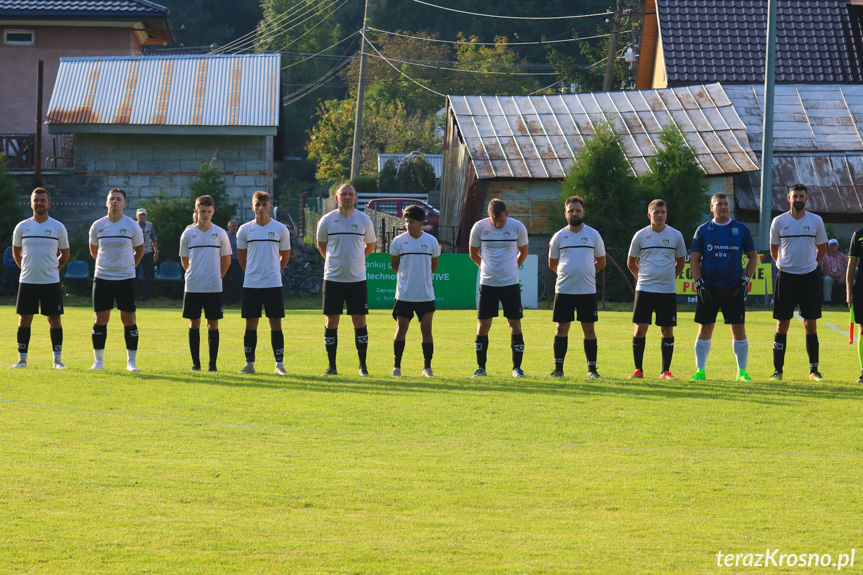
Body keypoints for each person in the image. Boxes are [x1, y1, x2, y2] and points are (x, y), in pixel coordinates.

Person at [689, 193, 757, 382]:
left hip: (733, 289)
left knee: (738, 328)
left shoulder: (740, 229)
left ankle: (741, 372)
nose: (723, 207)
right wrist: (699, 283)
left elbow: (753, 256)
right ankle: (700, 371)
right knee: (705, 328)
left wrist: (745, 280)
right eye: (719, 204)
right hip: (709, 288)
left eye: (726, 204)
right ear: (711, 207)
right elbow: (694, 259)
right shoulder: (702, 230)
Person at [769, 183, 828, 381]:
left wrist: (810, 265)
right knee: (782, 324)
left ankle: (814, 370)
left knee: (810, 323)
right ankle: (778, 371)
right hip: (786, 278)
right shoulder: (778, 221)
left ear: (806, 199)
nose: (798, 200)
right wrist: (785, 266)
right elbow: (773, 250)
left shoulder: (816, 221)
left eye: (801, 196)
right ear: (789, 198)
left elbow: (821, 249)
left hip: (809, 278)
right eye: (795, 196)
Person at [316, 184, 376, 376]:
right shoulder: (327, 220)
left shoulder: (364, 220)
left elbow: (370, 245)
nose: (347, 197)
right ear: (337, 198)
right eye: (344, 194)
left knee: (359, 321)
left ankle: (363, 366)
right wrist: (336, 263)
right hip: (333, 279)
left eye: (351, 194)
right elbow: (321, 246)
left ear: (356, 198)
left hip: (357, 280)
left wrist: (355, 261)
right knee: (331, 321)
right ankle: (331, 366)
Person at [9, 187, 70, 369]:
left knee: (54, 320)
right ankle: (22, 360)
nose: (39, 203)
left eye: (43, 200)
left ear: (49, 204)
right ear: (31, 203)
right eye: (36, 200)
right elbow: (16, 253)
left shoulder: (58, 227)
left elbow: (65, 255)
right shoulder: (22, 227)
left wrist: (52, 269)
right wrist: (28, 269)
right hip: (27, 281)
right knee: (24, 320)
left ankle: (57, 360)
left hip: (50, 282)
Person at [468, 198, 529, 378]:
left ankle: (517, 368)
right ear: (489, 215)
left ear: (507, 214)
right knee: (483, 325)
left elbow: (523, 251)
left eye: (501, 221)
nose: (498, 224)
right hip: (487, 285)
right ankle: (481, 368)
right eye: (495, 221)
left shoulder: (517, 227)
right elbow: (473, 253)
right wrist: (487, 268)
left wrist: (513, 268)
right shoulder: (479, 228)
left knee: (515, 325)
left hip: (510, 285)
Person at [627, 199, 687, 380]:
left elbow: (681, 262)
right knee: (640, 329)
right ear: (649, 215)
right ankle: (638, 370)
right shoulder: (640, 236)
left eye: (663, 212)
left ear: (666, 214)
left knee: (667, 330)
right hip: (644, 289)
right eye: (656, 212)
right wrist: (644, 279)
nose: (660, 215)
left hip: (667, 291)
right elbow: (631, 263)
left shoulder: (676, 235)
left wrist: (667, 279)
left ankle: (665, 372)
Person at [547, 195, 606, 378]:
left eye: (578, 210)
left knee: (589, 329)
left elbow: (601, 262)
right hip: (564, 290)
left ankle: (592, 370)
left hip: (587, 291)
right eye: (571, 210)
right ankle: (558, 370)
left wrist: (585, 273)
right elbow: (552, 263)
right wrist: (568, 274)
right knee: (561, 329)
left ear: (583, 212)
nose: (574, 213)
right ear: (565, 214)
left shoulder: (593, 235)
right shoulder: (559, 236)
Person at [89, 188, 145, 371]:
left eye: (118, 199)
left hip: (126, 279)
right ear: (106, 203)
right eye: (111, 199)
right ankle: (98, 362)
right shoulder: (98, 225)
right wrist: (106, 266)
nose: (114, 201)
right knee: (100, 319)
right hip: (103, 278)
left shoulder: (132, 225)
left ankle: (131, 362)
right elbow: (94, 250)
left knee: (128, 319)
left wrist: (130, 266)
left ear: (124, 204)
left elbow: (140, 249)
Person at [236, 191, 291, 375]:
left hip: (273, 285)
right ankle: (249, 364)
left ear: (270, 207)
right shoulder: (244, 230)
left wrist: (274, 271)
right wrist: (253, 273)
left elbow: (285, 256)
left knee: (275, 324)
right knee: (251, 324)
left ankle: (279, 365)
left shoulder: (280, 229)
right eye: (257, 205)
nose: (260, 208)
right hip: (251, 285)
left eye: (264, 205)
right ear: (252, 207)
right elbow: (242, 259)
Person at [179, 195, 232, 372]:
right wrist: (194, 274)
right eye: (202, 211)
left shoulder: (220, 233)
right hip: (193, 286)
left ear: (213, 212)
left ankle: (212, 365)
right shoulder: (188, 234)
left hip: (213, 287)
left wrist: (217, 276)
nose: (206, 214)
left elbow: (226, 260)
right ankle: (196, 364)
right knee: (194, 324)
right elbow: (184, 260)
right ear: (196, 212)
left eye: (209, 211)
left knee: (213, 324)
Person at [389, 205, 441, 377]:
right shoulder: (398, 241)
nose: (407, 225)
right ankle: (397, 367)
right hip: (404, 295)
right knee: (401, 329)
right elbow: (395, 267)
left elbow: (433, 267)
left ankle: (427, 368)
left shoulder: (432, 242)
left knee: (426, 331)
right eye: (406, 221)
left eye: (411, 222)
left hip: (425, 295)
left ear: (420, 223)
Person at [846, 230, 863, 382]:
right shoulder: (858, 235)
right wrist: (848, 290)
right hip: (861, 287)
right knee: (862, 328)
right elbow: (851, 264)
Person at [134, 207, 158, 301]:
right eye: (140, 215)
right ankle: (135, 296)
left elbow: (154, 238)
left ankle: (146, 296)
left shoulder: (149, 225)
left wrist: (156, 251)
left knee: (147, 275)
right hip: (136, 252)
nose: (142, 217)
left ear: (146, 216)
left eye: (143, 215)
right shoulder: (133, 225)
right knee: (134, 274)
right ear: (137, 216)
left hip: (147, 252)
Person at [821, 238, 848, 304]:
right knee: (827, 279)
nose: (833, 247)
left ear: (838, 246)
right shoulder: (824, 256)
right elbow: (821, 269)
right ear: (828, 247)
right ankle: (827, 302)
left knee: (853, 281)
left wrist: (843, 276)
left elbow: (848, 267)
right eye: (831, 245)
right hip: (830, 276)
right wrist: (829, 273)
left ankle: (852, 301)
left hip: (842, 276)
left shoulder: (843, 256)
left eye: (835, 245)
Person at [224, 219, 243, 304]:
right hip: (226, 260)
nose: (235, 228)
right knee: (225, 280)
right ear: (228, 227)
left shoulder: (239, 236)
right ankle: (225, 299)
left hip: (236, 261)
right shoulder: (224, 235)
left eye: (236, 226)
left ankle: (235, 299)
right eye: (233, 226)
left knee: (236, 281)